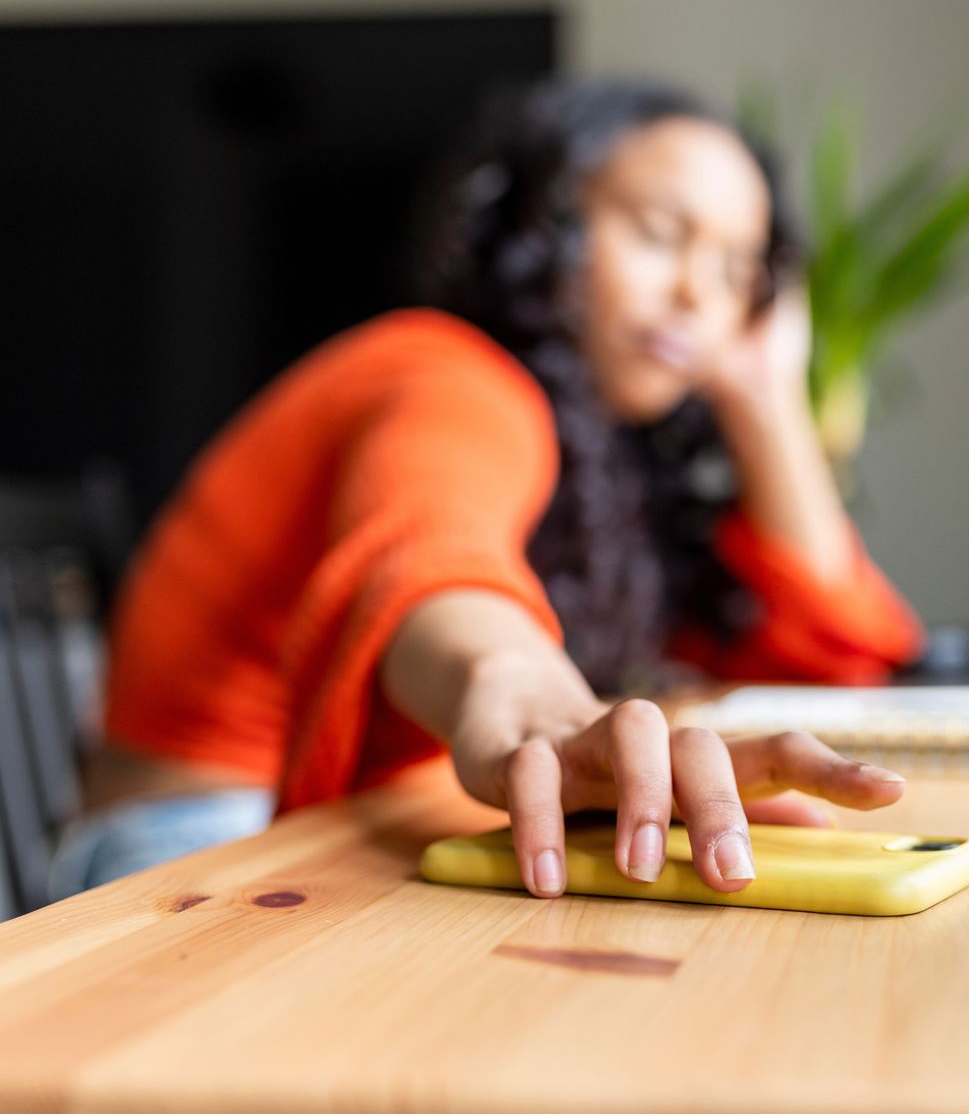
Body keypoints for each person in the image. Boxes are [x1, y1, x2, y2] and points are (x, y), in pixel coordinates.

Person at [48, 77, 922, 904]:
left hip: (334, 824)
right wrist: (528, 698)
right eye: (660, 233)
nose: (699, 293)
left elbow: (840, 662)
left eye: (738, 271)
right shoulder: (447, 375)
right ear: (547, 231)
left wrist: (767, 395)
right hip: (193, 844)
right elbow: (426, 555)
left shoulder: (607, 468)